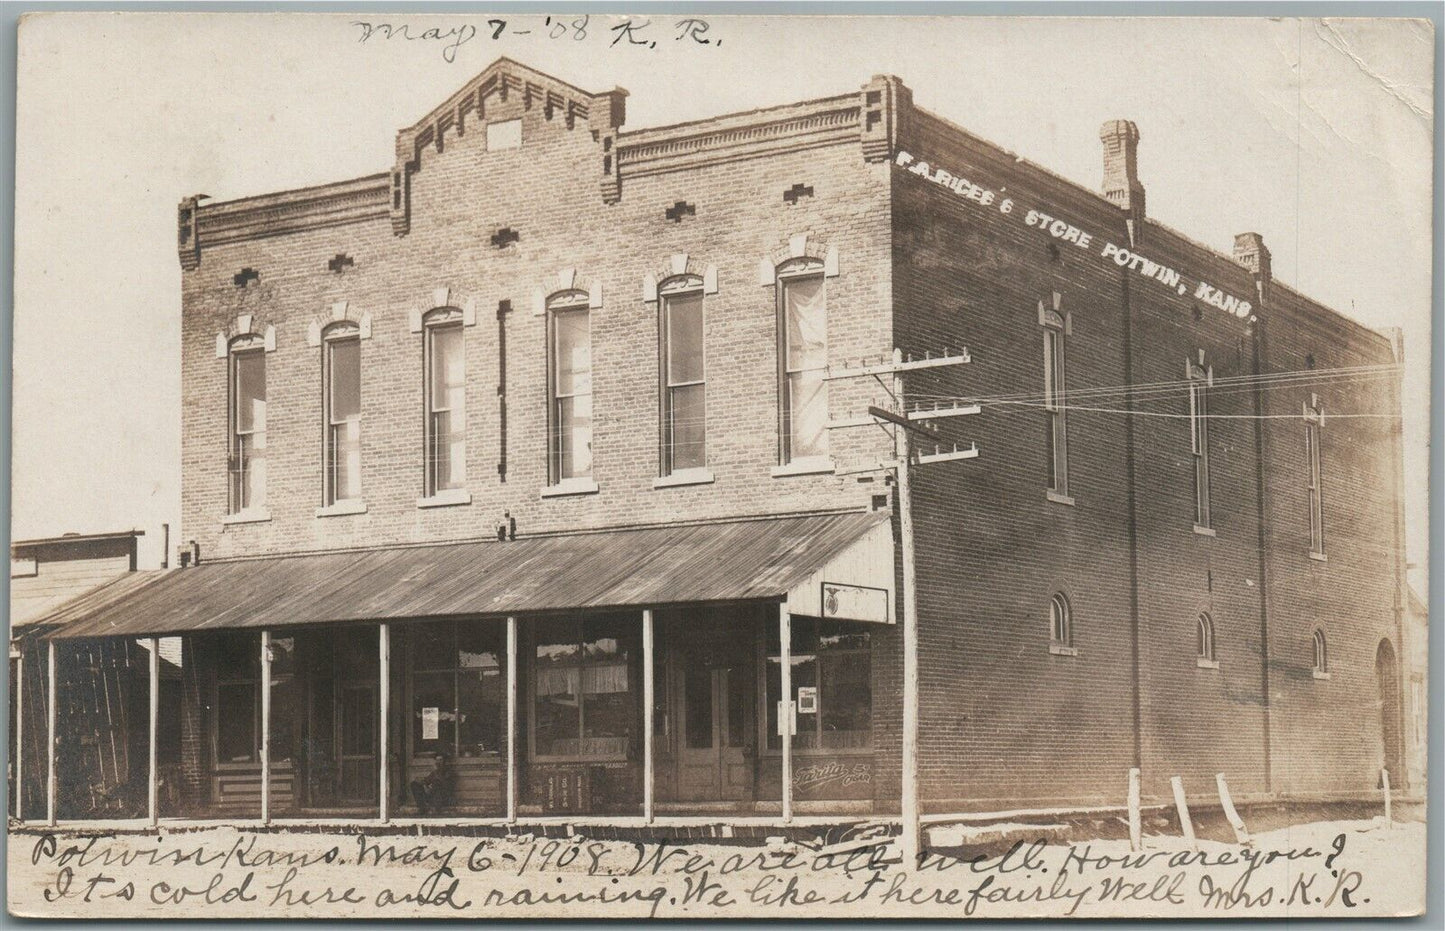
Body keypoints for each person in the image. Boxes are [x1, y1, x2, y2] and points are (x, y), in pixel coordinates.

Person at [410, 748, 455, 815]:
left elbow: (445, 785)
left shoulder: (449, 772)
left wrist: (432, 785)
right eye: (437, 760)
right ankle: (422, 808)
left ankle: (436, 810)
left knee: (437, 783)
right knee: (414, 784)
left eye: (440, 760)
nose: (438, 762)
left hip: (444, 799)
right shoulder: (435, 772)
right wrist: (424, 785)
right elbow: (425, 781)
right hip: (433, 796)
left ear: (444, 761)